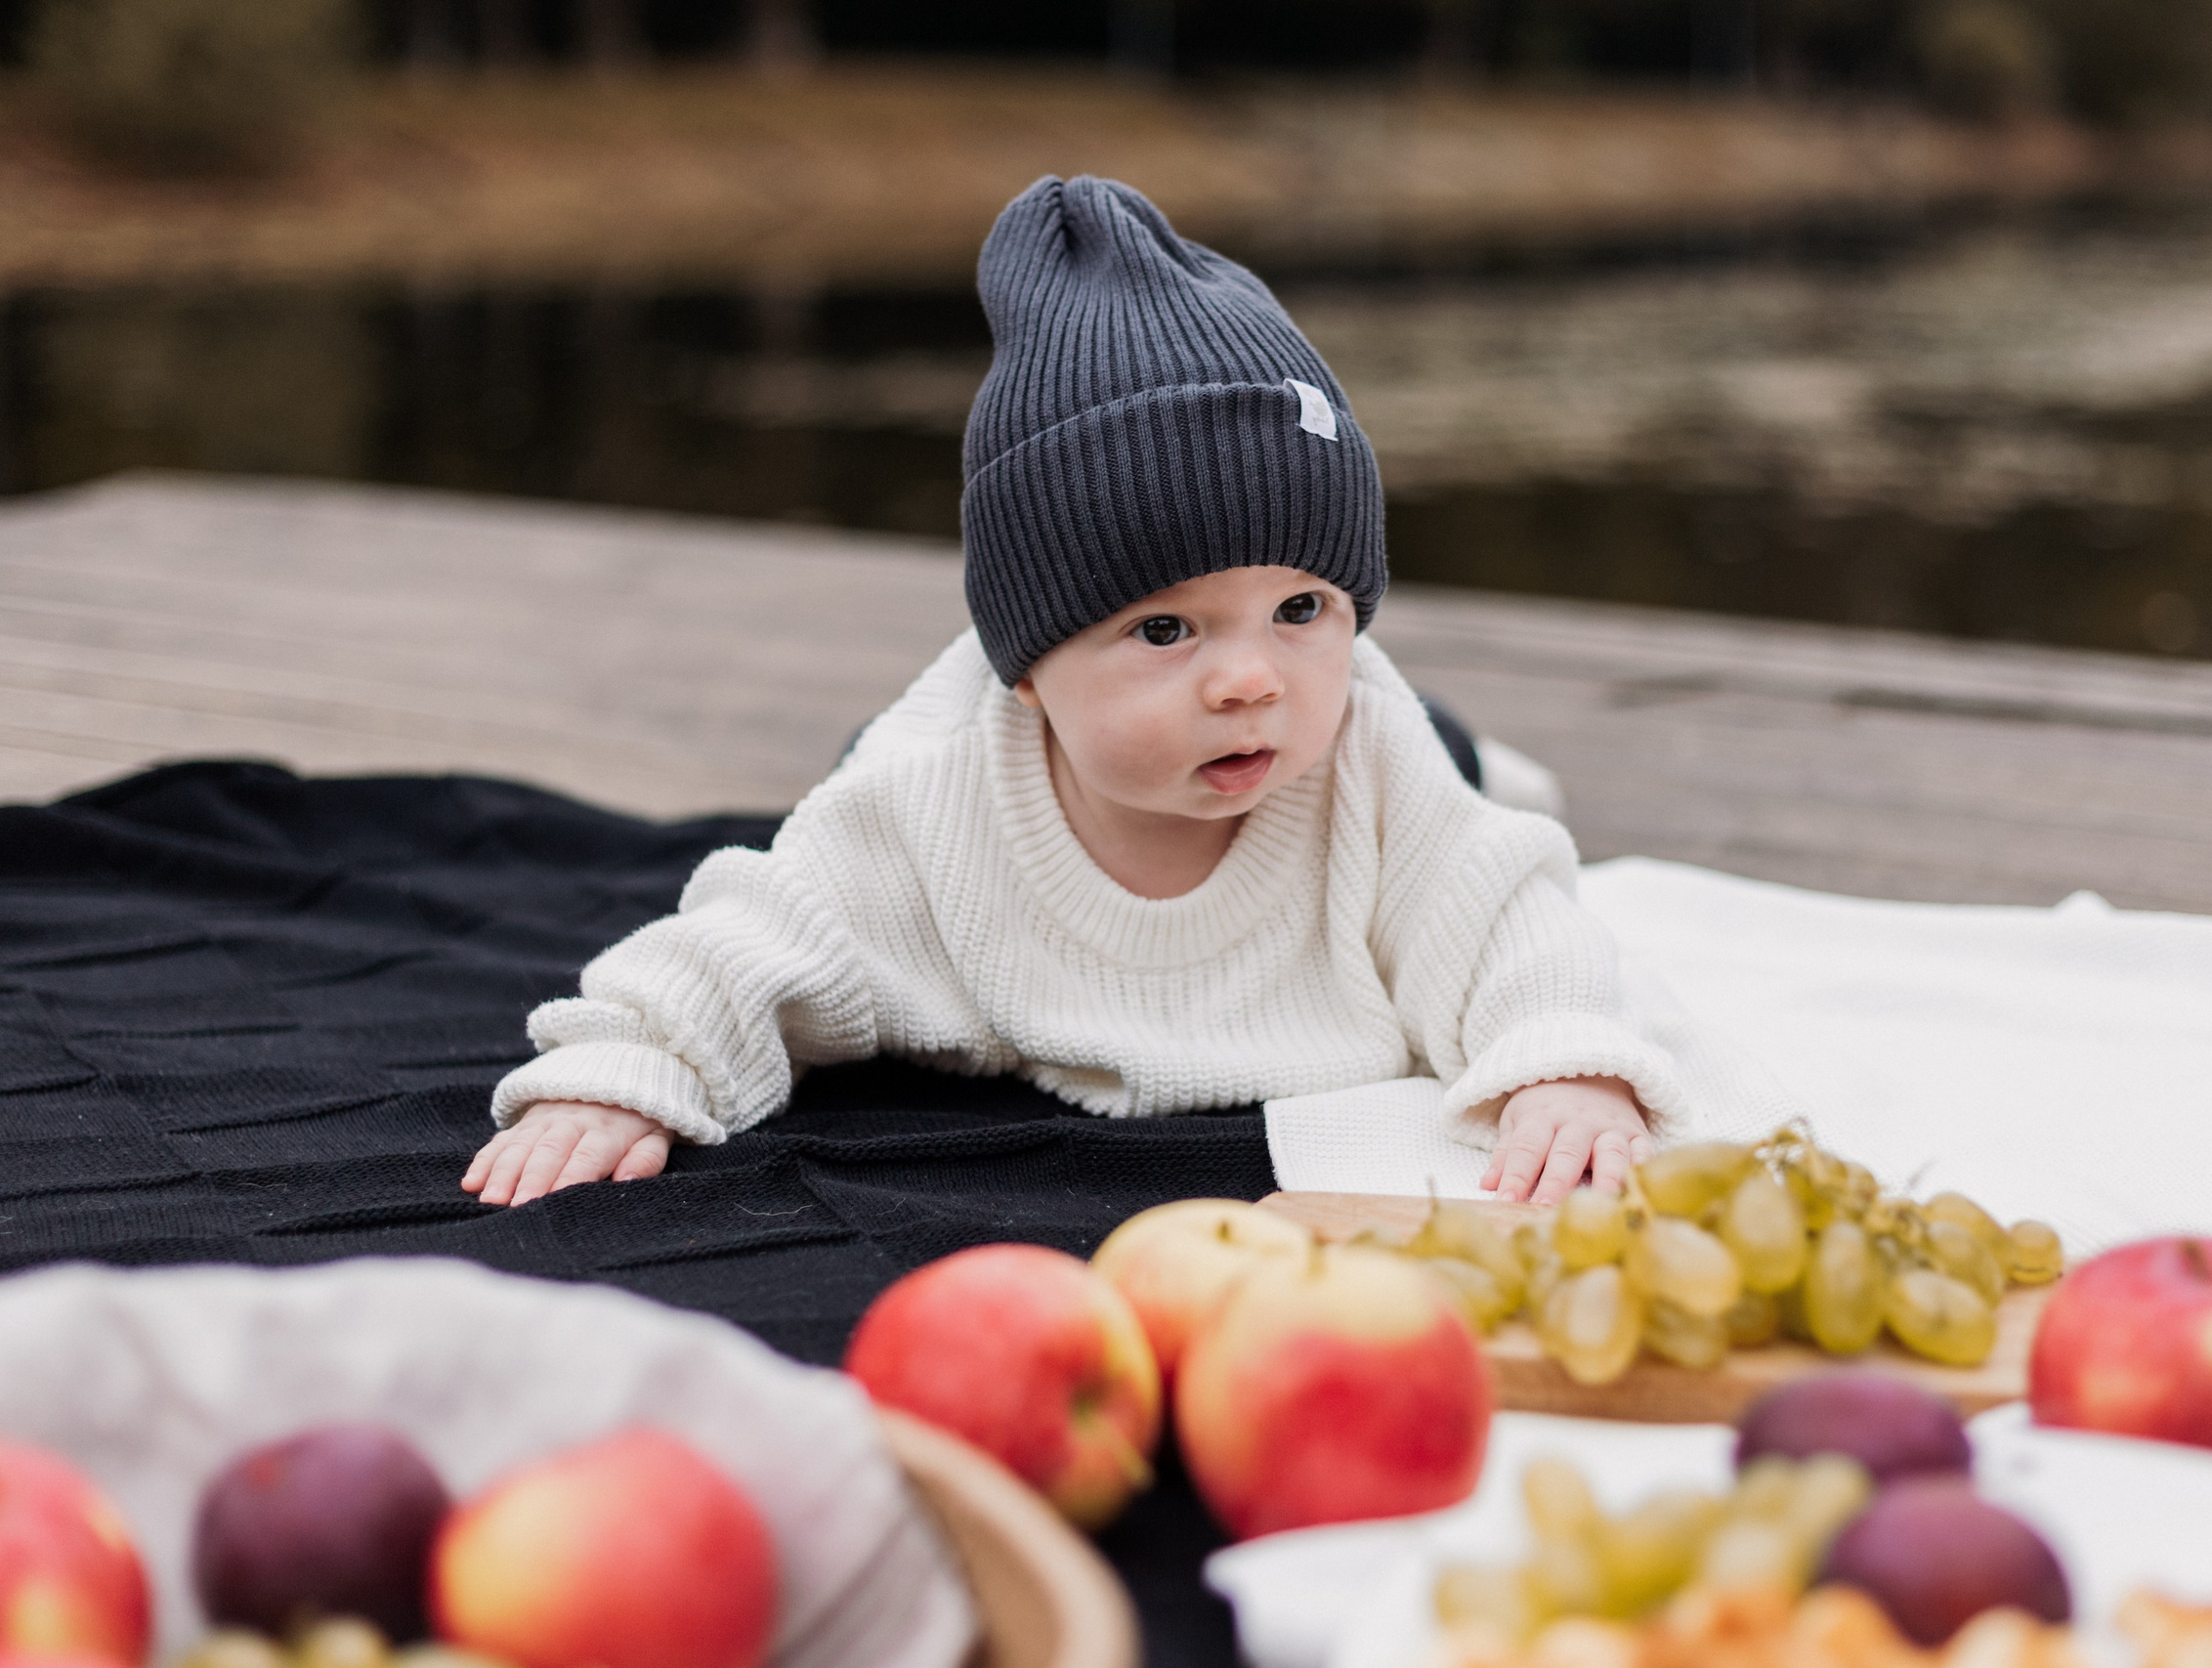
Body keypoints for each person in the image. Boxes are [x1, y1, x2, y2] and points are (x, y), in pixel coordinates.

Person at [466, 176, 1681, 1212]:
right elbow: (744, 943)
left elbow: (1505, 918)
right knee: (854, 780)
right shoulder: (924, 814)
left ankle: (1473, 753)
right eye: (1164, 628)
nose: (1249, 677)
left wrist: (1559, 1063)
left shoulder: (1361, 742)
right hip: (958, 778)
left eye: (1302, 607)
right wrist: (627, 1070)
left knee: (1449, 775)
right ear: (1032, 668)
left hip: (1381, 759)